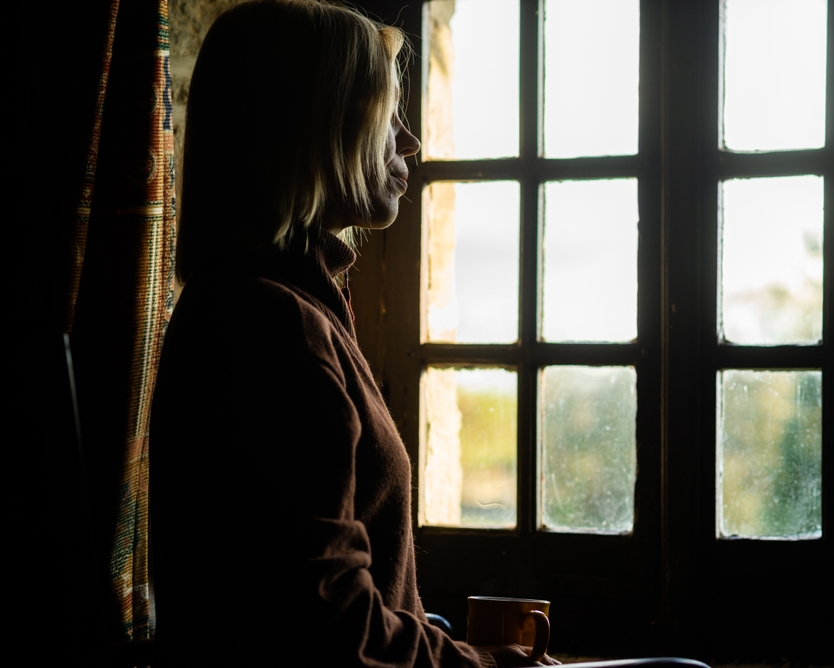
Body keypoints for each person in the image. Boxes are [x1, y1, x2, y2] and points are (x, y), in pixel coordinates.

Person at [150, 1, 558, 666]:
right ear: (318, 126)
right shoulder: (272, 329)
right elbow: (331, 631)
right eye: (387, 112)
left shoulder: (276, 308)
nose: (410, 141)